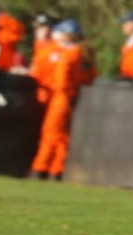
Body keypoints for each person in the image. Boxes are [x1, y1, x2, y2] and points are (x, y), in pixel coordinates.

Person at [29, 19, 97, 181]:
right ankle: (56, 170)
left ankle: (41, 168)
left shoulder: (69, 54)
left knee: (50, 134)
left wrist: (57, 90)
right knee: (61, 137)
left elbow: (60, 78)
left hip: (61, 97)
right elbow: (90, 77)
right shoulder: (83, 53)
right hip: (71, 96)